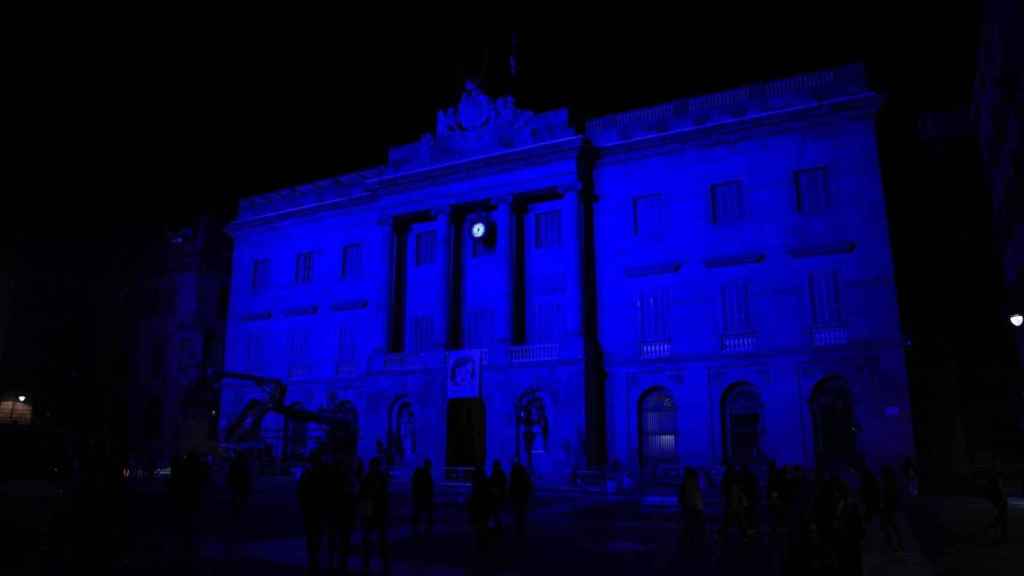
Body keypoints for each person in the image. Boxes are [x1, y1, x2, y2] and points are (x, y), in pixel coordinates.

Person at [298, 452, 328, 575]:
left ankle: (313, 556)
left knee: (312, 533)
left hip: (311, 508)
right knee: (316, 533)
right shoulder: (321, 475)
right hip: (316, 508)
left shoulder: (308, 474)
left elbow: (300, 491)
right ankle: (315, 555)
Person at [359, 457, 390, 574]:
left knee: (372, 535)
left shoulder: (371, 478)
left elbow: (363, 495)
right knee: (377, 536)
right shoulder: (378, 478)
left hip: (374, 510)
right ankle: (378, 558)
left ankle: (369, 558)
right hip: (375, 510)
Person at [879, 465, 904, 552]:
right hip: (889, 507)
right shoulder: (890, 483)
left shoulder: (888, 484)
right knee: (890, 525)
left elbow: (888, 496)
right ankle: (894, 544)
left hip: (888, 507)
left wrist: (883, 505)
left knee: (889, 525)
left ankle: (893, 544)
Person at [509, 461, 532, 539]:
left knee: (518, 511)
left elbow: (511, 486)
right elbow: (529, 485)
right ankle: (520, 526)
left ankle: (519, 526)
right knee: (521, 511)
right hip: (522, 496)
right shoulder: (523, 475)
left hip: (517, 496)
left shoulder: (514, 475)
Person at [411, 459, 434, 537]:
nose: (429, 467)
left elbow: (415, 484)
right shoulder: (424, 474)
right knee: (422, 512)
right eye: (429, 466)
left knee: (419, 512)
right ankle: (422, 528)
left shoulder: (420, 473)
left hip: (420, 496)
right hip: (423, 496)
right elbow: (428, 487)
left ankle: (417, 528)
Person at [489, 460, 508, 533]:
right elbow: (504, 483)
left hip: (497, 494)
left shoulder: (495, 474)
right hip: (498, 494)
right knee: (498, 510)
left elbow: (493, 483)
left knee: (497, 510)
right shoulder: (499, 474)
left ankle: (498, 524)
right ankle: (498, 524)